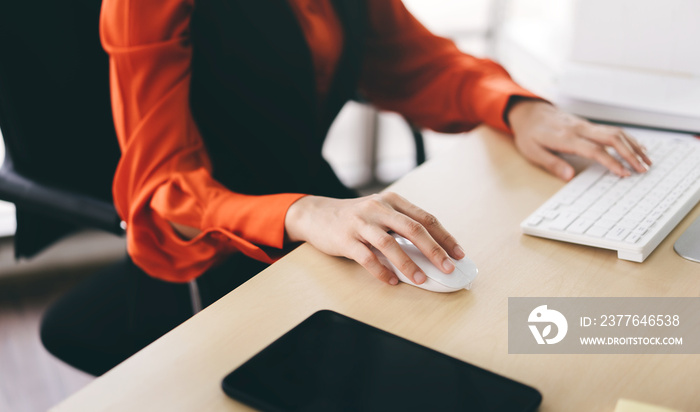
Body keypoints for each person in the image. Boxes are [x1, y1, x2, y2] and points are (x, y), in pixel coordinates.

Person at [41, 0, 651, 375]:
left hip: (327, 210)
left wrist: (517, 108)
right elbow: (165, 190)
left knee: (493, 331)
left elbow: (413, 61)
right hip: (216, 248)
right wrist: (300, 212)